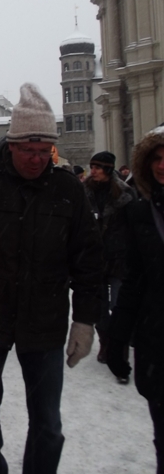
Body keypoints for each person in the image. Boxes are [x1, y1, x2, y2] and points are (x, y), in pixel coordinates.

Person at [0, 83, 102, 474]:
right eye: (28, 149)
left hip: (46, 321)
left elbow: (89, 260)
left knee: (47, 424)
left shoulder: (69, 190)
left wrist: (86, 319)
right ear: (11, 146)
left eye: (44, 149)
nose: (36, 158)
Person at [107, 127, 164, 474]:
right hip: (158, 342)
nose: (162, 165)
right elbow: (135, 281)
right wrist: (115, 341)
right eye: (156, 158)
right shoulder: (141, 215)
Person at [84, 151, 136, 368]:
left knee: (118, 304)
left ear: (107, 169)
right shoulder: (84, 192)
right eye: (92, 166)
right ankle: (105, 342)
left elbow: (132, 227)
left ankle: (118, 345)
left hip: (119, 258)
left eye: (97, 167)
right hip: (94, 258)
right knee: (99, 308)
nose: (93, 171)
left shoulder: (125, 194)